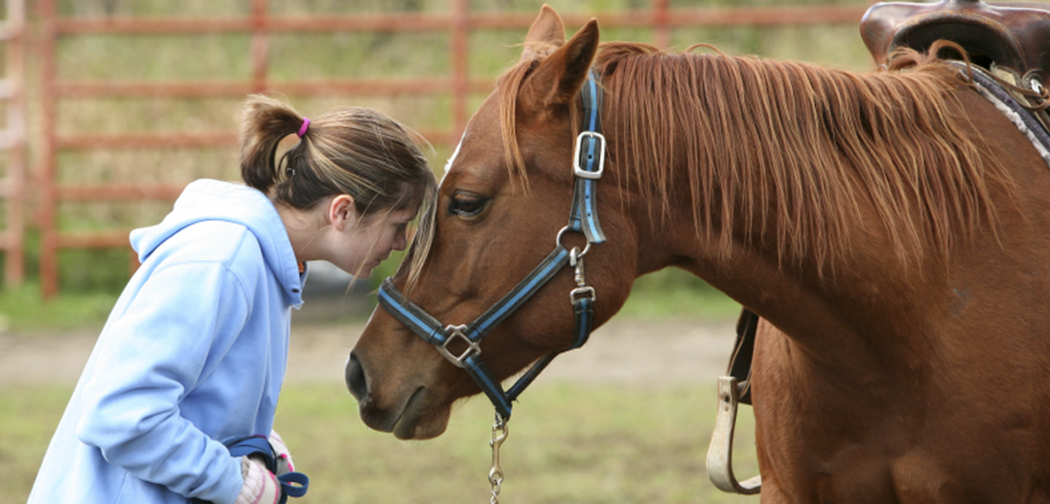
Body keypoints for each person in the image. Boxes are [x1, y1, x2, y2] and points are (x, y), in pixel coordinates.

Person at [27, 94, 437, 504]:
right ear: (342, 212)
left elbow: (196, 394)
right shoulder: (223, 261)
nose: (402, 243)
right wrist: (233, 480)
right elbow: (122, 413)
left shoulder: (269, 266)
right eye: (399, 224)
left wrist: (257, 444)